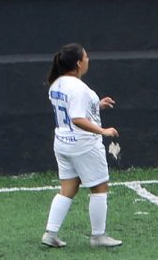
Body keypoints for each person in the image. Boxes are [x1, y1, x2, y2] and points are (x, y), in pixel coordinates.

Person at [43, 44, 121, 249]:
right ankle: (98, 236)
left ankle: (50, 233)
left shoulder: (57, 83)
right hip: (83, 144)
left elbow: (72, 109)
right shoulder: (78, 88)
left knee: (68, 187)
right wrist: (103, 131)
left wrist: (97, 105)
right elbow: (77, 118)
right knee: (100, 187)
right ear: (78, 62)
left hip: (62, 143)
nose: (88, 59)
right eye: (86, 56)